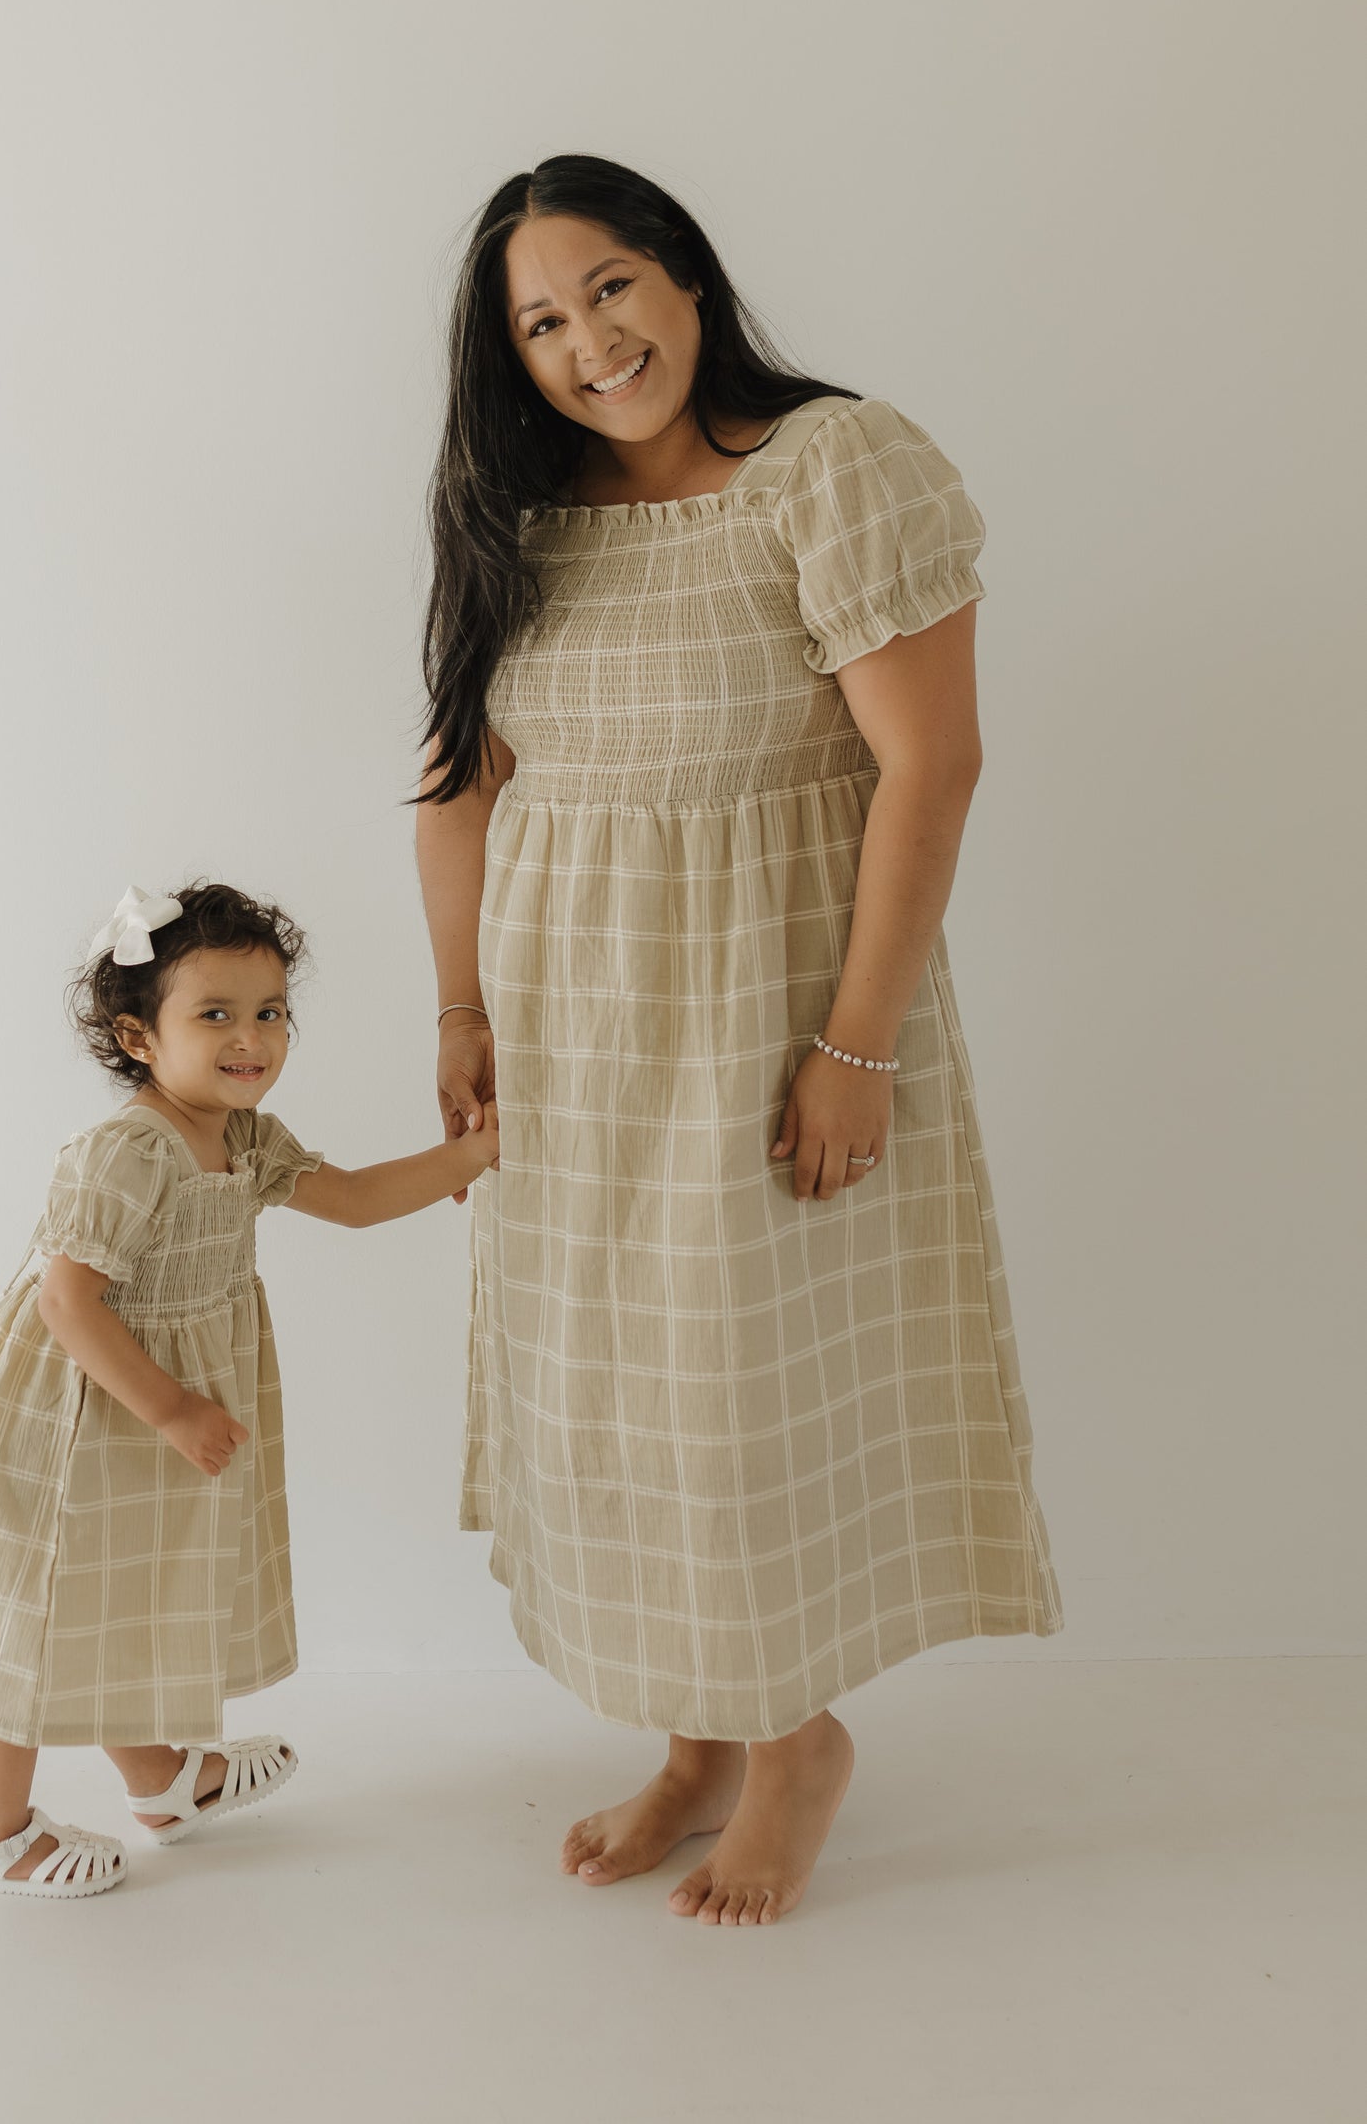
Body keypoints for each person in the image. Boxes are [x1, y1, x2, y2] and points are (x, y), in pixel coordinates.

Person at [415, 157, 1060, 1928]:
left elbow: (933, 766)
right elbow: (461, 783)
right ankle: (698, 1735)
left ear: (686, 273)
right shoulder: (518, 512)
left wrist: (855, 1044)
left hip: (761, 1011)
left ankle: (794, 1744)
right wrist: (461, 1006)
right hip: (571, 1038)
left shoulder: (837, 466)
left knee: (738, 1392)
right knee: (626, 1398)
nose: (586, 340)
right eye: (539, 322)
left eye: (609, 286)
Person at [0, 879, 497, 1897]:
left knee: (121, 1596)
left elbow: (360, 1200)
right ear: (138, 1039)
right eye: (216, 1015)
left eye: (270, 1012)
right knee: (33, 1617)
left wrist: (480, 1154)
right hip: (63, 1422)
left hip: (132, 1420)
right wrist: (173, 1408)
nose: (253, 1039)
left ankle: (161, 1778)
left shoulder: (243, 1141)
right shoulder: (126, 1155)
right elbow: (68, 1304)